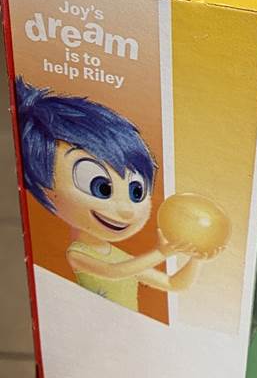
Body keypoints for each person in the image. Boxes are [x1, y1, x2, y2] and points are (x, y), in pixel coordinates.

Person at [15, 77, 213, 312]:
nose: (127, 210)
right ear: (45, 189)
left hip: (124, 327)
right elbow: (113, 272)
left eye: (136, 192)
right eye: (101, 187)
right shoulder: (77, 254)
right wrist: (160, 252)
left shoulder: (119, 256)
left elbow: (174, 284)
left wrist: (198, 258)